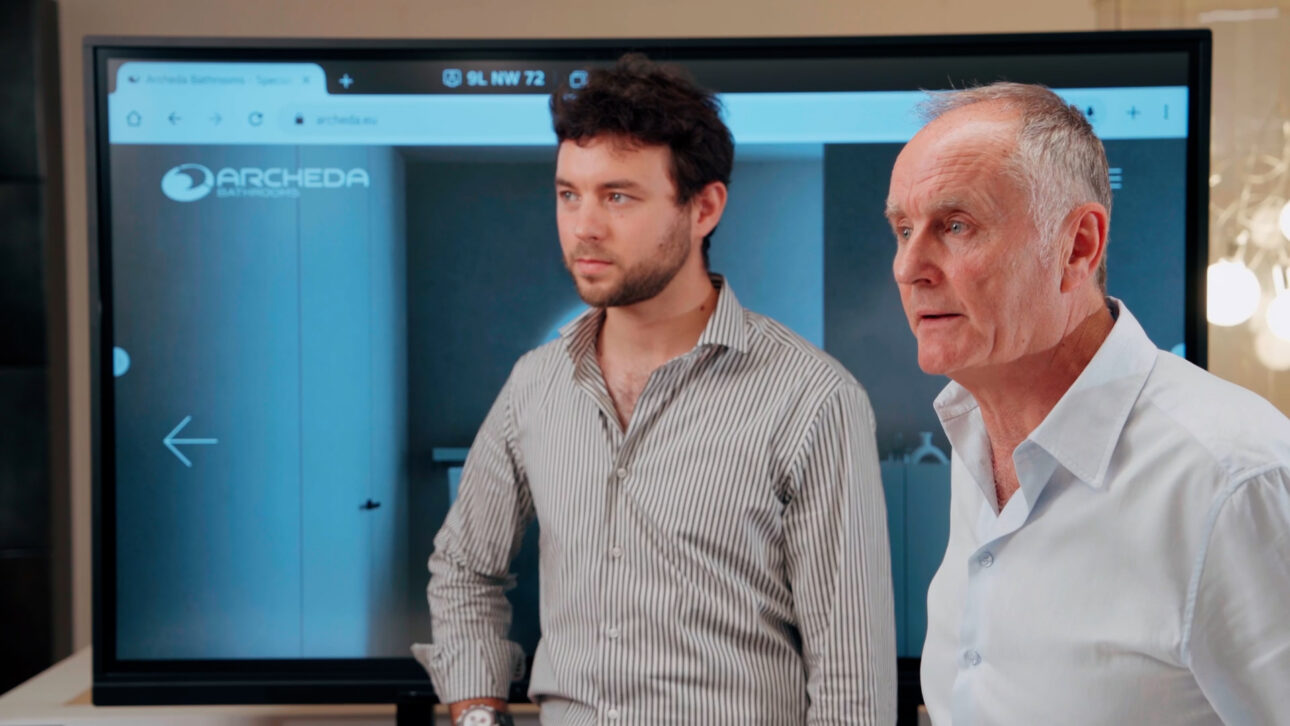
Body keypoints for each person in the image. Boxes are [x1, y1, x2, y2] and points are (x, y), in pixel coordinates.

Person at [413, 54, 896, 725]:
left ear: (704, 208)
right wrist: (477, 714)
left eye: (618, 196)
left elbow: (851, 679)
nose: (584, 226)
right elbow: (465, 569)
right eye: (569, 194)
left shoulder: (811, 398)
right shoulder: (536, 382)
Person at [886, 81, 1290, 724]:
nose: (910, 267)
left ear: (1078, 246)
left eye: (955, 226)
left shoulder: (1233, 479)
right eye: (904, 229)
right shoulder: (976, 439)